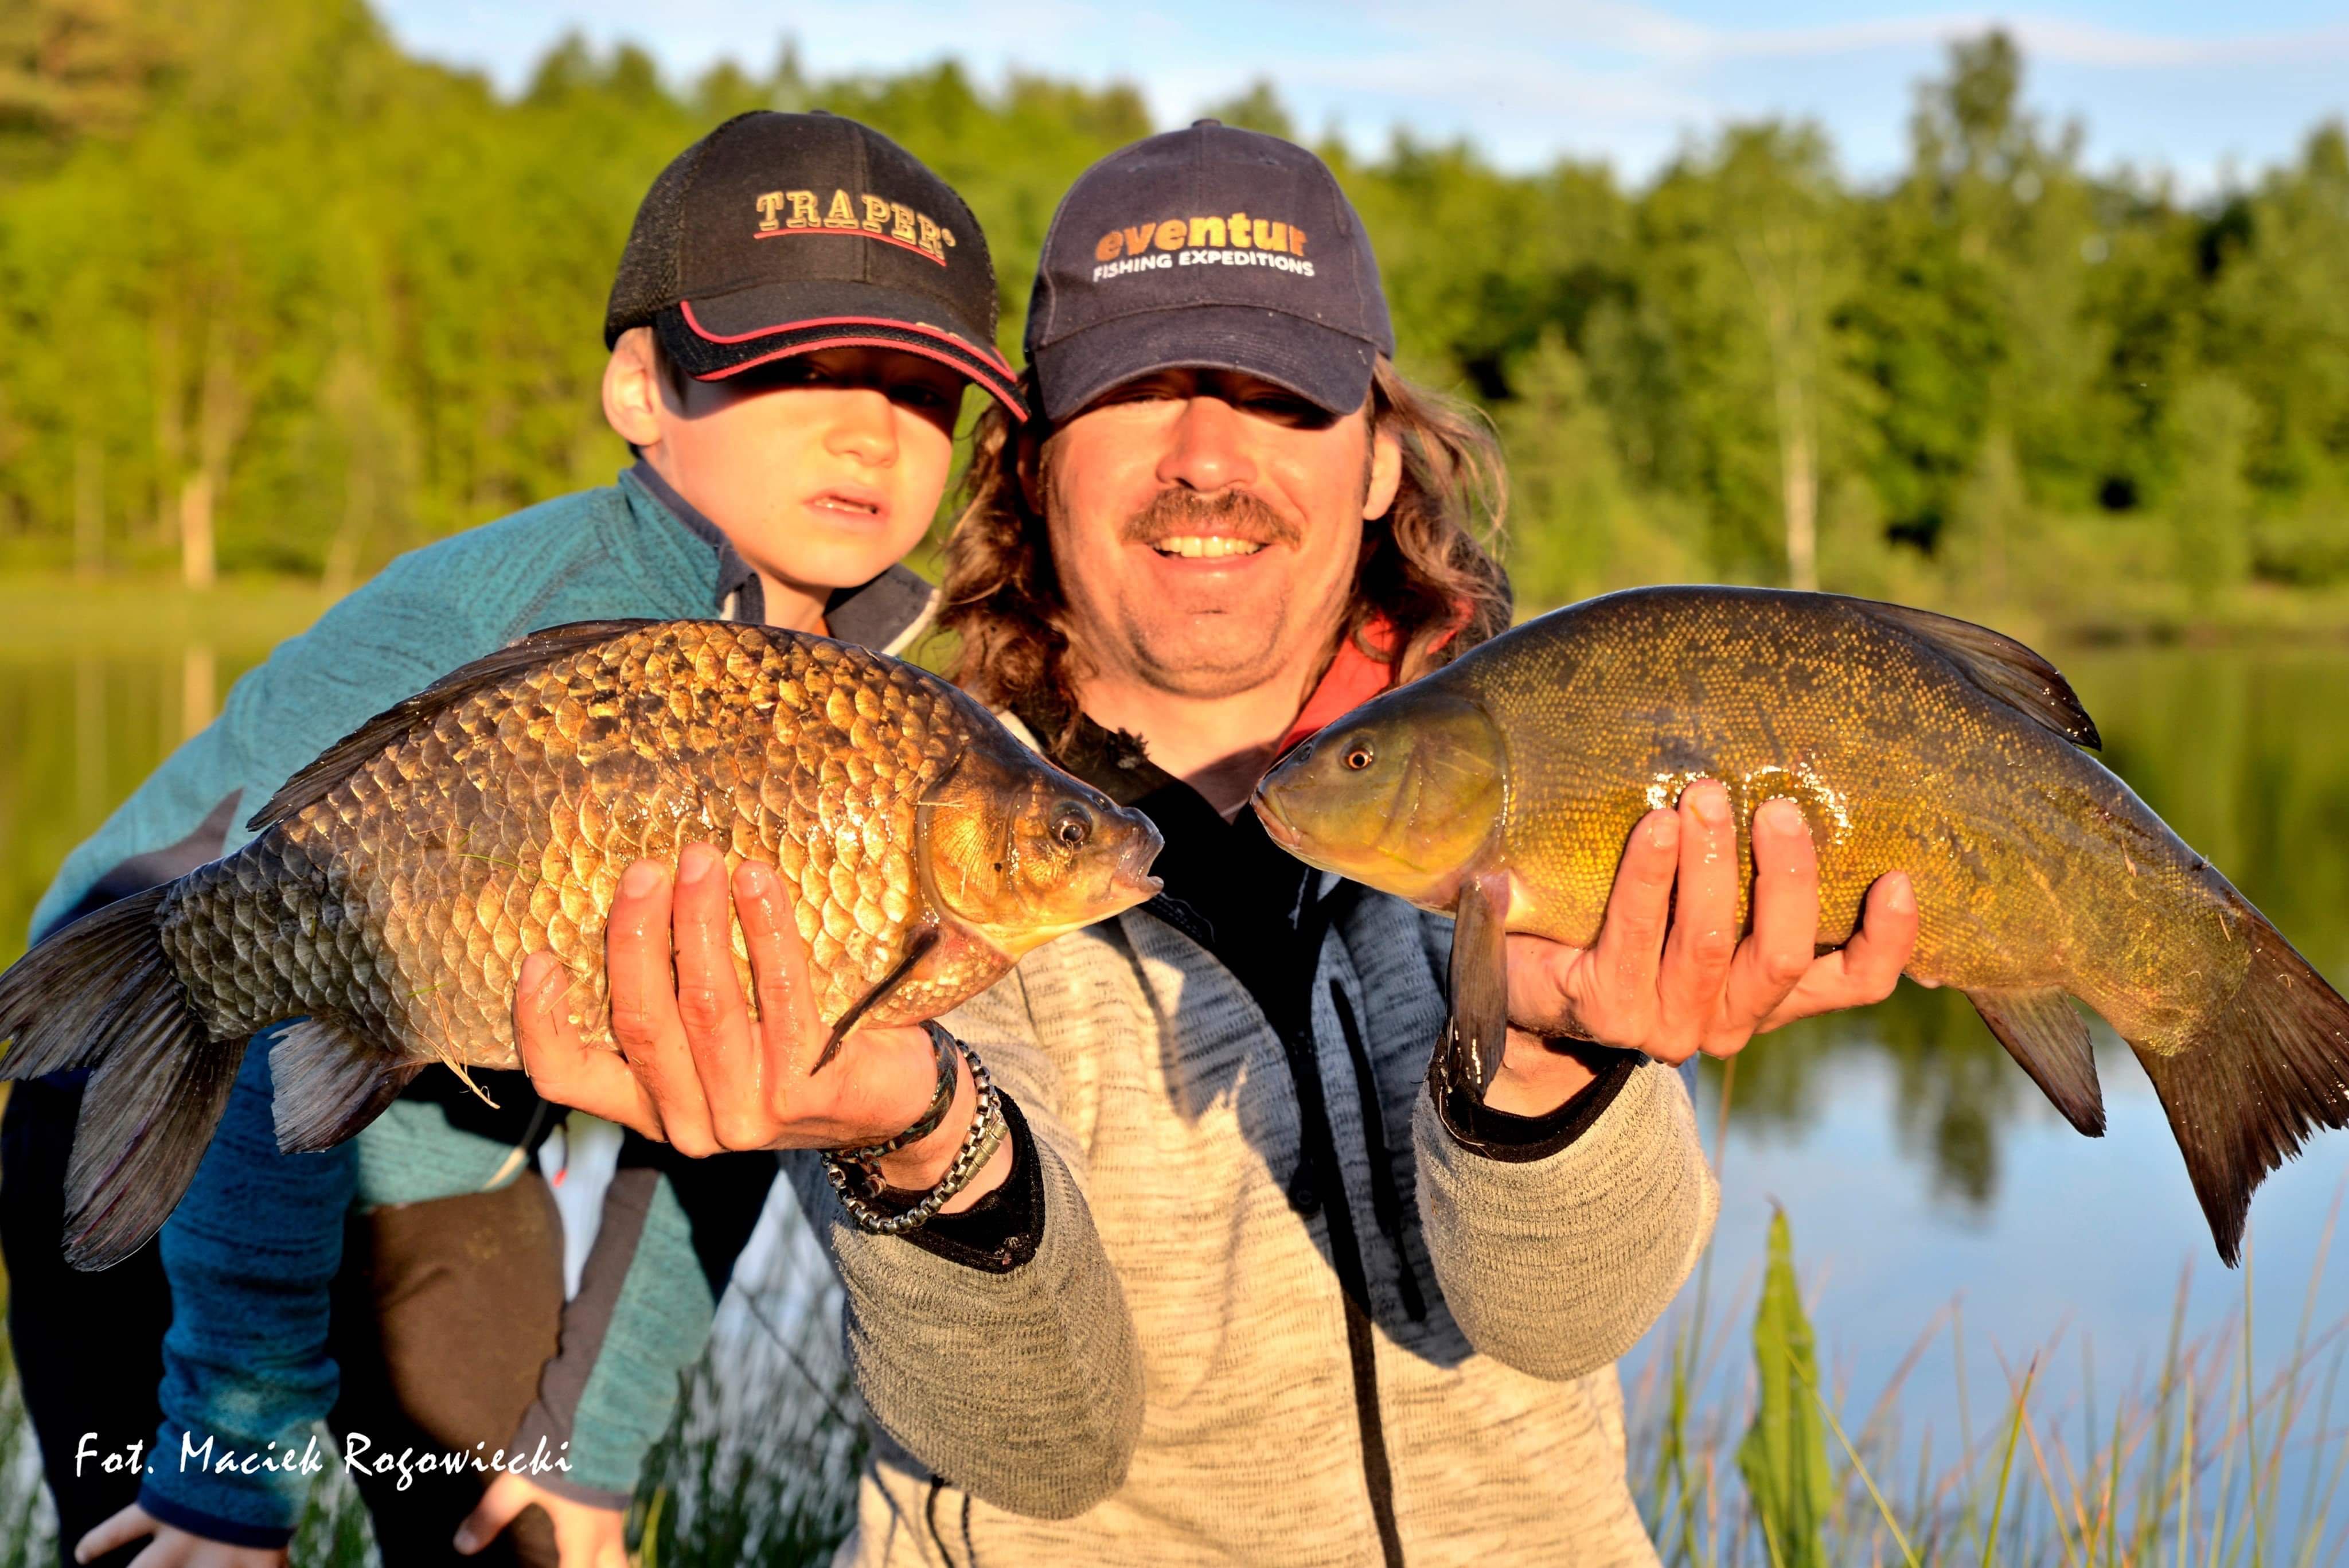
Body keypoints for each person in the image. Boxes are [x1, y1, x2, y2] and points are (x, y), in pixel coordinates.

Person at [516, 119, 1921, 1566]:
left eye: (1275, 397)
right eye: (1139, 392)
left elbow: (1569, 1317)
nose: (1205, 457)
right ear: (1036, 459)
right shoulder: (891, 806)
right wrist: (924, 1141)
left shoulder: (1543, 777)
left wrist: (1551, 1070)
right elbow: (1035, 1441)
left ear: (1376, 461)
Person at [1, 111, 1024, 1568]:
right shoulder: (484, 620)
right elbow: (266, 985)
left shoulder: (873, 718)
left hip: (446, 1124)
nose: (868, 425)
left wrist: (594, 1451)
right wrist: (230, 1463)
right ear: (636, 385)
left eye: (925, 390)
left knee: (520, 1535)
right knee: (186, 1536)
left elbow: (724, 1118)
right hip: (141, 1056)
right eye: (796, 366)